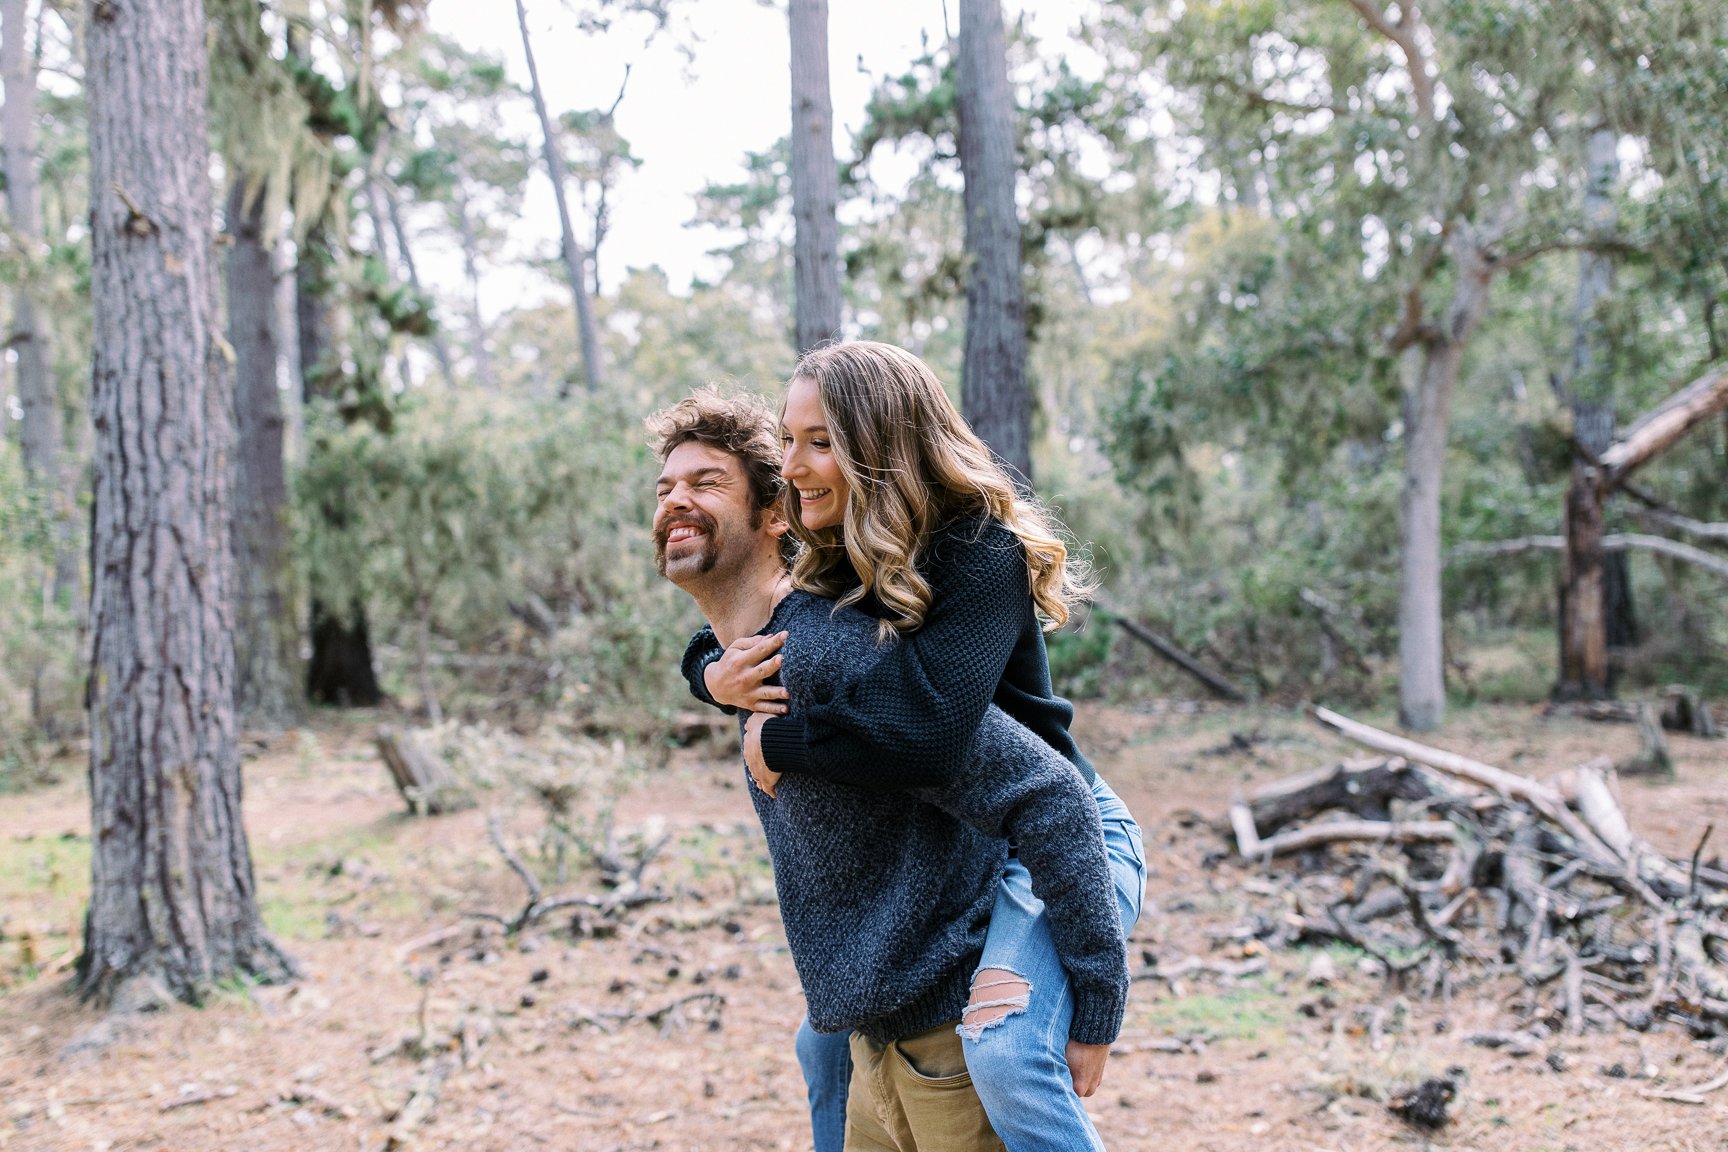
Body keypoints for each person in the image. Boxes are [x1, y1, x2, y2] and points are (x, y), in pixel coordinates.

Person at [683, 342, 1146, 1152]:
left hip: (1059, 825)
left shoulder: (978, 550)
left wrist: (782, 738)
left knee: (1004, 1052)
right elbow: (739, 627)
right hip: (972, 822)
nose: (793, 465)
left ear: (883, 446)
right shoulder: (832, 543)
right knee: (822, 1046)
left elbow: (929, 733)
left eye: (820, 440)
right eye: (788, 441)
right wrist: (713, 677)